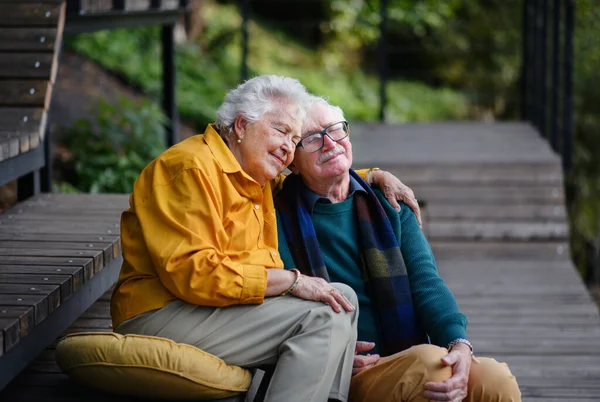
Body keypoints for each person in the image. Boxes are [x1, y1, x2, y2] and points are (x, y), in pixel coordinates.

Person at [110, 75, 420, 402]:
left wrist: (374, 176)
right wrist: (291, 281)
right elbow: (194, 274)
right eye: (281, 131)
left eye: (295, 138)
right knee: (323, 314)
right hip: (163, 312)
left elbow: (316, 176)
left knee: (339, 298)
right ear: (242, 125)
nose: (288, 147)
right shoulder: (189, 169)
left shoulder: (256, 180)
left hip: (212, 309)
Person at [274, 96, 522, 402]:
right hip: (344, 371)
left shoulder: (387, 201)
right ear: (291, 163)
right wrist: (325, 354)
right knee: (430, 367)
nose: (329, 143)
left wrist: (459, 344)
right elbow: (283, 304)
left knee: (497, 382)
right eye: (312, 139)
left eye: (336, 130)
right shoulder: (278, 215)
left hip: (408, 353)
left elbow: (427, 282)